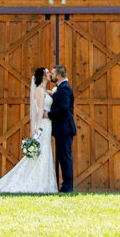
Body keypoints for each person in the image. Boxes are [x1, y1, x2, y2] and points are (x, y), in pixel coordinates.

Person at [0, 68, 57, 193]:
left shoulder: (45, 91)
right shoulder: (40, 91)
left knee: (45, 150)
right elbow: (39, 110)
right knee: (42, 151)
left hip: (48, 124)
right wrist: (37, 128)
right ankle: (38, 183)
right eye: (47, 72)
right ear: (43, 76)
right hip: (43, 125)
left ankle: (44, 182)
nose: (50, 74)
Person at [44, 64, 76, 192]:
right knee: (63, 157)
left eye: (52, 73)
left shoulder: (64, 89)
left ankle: (67, 188)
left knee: (65, 158)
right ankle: (66, 186)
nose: (50, 75)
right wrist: (49, 93)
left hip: (65, 129)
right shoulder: (61, 88)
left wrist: (49, 114)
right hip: (62, 130)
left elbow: (63, 109)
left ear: (58, 76)